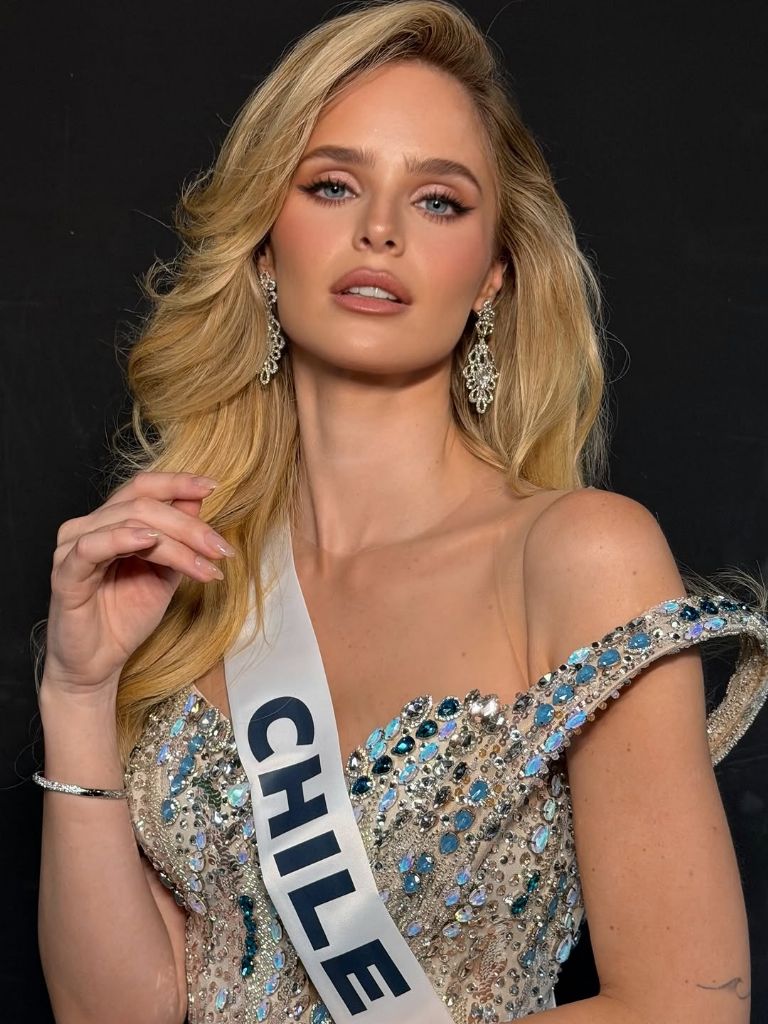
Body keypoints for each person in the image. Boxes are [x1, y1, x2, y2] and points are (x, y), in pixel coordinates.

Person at [34, 2, 768, 1023]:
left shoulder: (579, 555)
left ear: (493, 275)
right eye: (333, 185)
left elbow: (684, 1010)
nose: (379, 229)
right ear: (264, 248)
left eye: (438, 201)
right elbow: (115, 1011)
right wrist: (78, 695)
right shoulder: (188, 577)